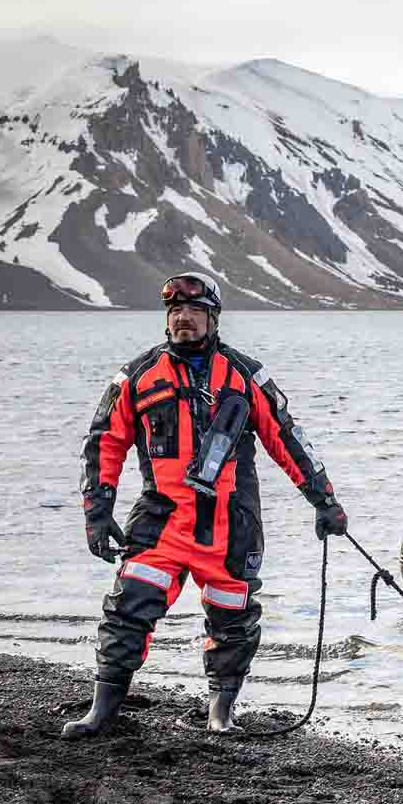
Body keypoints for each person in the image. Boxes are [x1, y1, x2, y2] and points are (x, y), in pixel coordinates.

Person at [66, 272, 348, 737]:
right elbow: (103, 444)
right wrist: (97, 514)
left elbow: (288, 440)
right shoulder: (136, 376)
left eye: (195, 312)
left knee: (233, 621)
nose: (184, 319)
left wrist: (325, 502)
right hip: (161, 521)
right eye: (176, 312)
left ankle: (221, 712)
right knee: (127, 610)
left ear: (213, 318)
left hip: (230, 523)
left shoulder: (245, 375)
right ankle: (102, 710)